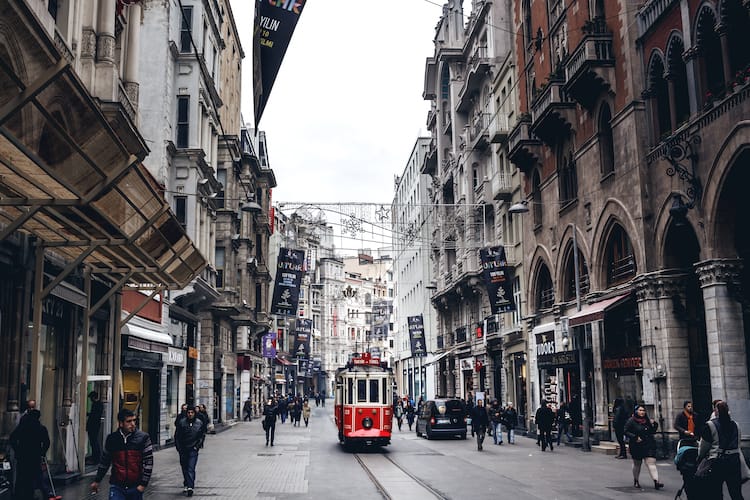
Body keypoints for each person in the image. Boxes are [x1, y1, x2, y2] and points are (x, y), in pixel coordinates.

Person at [91, 408, 154, 500]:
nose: (132, 424)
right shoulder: (112, 439)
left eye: (134, 420)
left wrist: (143, 485)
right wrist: (97, 480)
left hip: (135, 486)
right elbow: (105, 461)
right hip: (117, 486)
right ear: (121, 423)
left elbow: (149, 462)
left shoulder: (143, 438)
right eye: (128, 421)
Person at [697, 401, 745, 499]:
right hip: (734, 461)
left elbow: (704, 446)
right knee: (736, 492)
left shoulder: (710, 425)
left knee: (716, 492)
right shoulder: (736, 425)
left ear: (716, 411)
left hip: (717, 462)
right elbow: (737, 444)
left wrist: (700, 457)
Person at [9, 409, 54, 500]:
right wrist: (42, 452)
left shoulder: (23, 427)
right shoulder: (41, 428)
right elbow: (47, 442)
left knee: (21, 476)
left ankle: (19, 495)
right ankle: (44, 493)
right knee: (37, 476)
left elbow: (12, 438)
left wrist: (17, 450)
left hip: (23, 456)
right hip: (35, 455)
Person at [624, 404, 663, 490]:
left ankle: (656, 481)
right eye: (640, 410)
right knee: (637, 464)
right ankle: (636, 480)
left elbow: (652, 431)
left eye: (643, 410)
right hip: (636, 445)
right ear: (636, 411)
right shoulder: (631, 421)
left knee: (651, 462)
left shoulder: (647, 420)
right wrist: (635, 437)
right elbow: (626, 431)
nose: (642, 412)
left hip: (648, 444)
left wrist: (655, 424)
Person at [174, 407, 206, 497]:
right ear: (186, 413)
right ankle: (186, 482)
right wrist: (179, 447)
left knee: (191, 468)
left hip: (193, 449)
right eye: (189, 412)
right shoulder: (182, 423)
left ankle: (190, 487)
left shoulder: (199, 423)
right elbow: (177, 436)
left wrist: (197, 446)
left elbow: (201, 436)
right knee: (184, 467)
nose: (190, 414)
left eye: (192, 412)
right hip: (183, 449)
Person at [87, 391, 104, 464]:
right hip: (95, 425)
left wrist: (88, 414)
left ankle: (95, 458)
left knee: (94, 442)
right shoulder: (99, 404)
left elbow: (94, 416)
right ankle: (96, 458)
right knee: (94, 442)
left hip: (94, 426)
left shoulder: (97, 404)